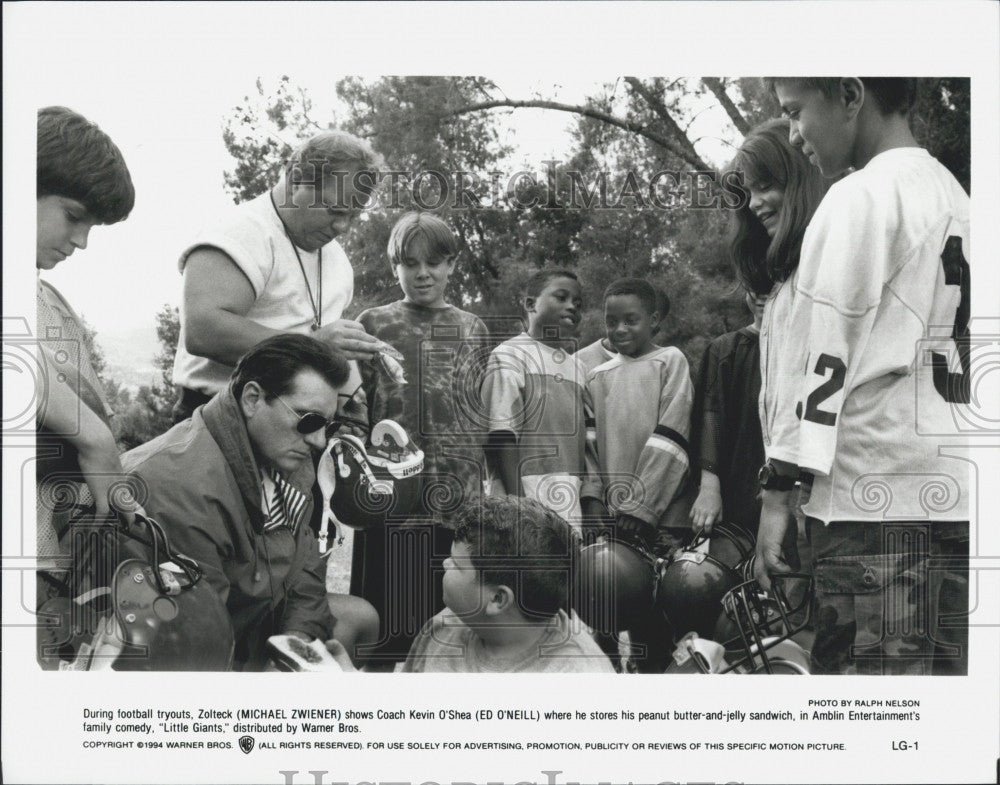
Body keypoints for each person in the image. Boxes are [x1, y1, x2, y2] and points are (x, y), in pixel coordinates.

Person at [757, 78, 970, 675]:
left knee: (864, 727)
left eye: (796, 112)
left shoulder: (861, 196)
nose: (794, 135)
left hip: (872, 514)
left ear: (850, 95)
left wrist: (777, 495)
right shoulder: (963, 200)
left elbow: (822, 362)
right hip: (959, 501)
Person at [122, 334, 379, 670]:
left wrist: (295, 645)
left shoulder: (285, 454)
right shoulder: (181, 489)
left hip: (246, 620)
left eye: (327, 426)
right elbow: (198, 640)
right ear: (253, 398)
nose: (318, 441)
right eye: (309, 420)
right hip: (174, 649)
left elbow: (304, 573)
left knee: (363, 618)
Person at [350, 211, 490, 667]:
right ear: (395, 268)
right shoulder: (372, 324)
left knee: (444, 640)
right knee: (381, 632)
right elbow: (355, 408)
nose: (422, 273)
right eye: (410, 263)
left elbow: (478, 412)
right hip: (390, 497)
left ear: (451, 265)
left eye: (433, 262)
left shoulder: (474, 329)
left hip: (455, 504)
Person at [171, 130, 385, 422]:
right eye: (334, 209)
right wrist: (313, 348)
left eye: (353, 215)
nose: (343, 226)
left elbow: (334, 350)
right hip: (223, 417)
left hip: (302, 425)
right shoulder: (241, 231)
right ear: (296, 179)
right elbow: (203, 331)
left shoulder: (337, 260)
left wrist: (352, 406)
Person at [689, 119, 826, 544]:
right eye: (747, 193)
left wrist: (778, 498)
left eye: (766, 186)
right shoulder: (727, 349)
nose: (754, 204)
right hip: (767, 492)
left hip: (817, 497)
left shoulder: (821, 273)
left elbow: (811, 394)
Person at [35, 106, 137, 564]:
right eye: (73, 216)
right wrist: (92, 438)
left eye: (91, 227)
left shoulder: (49, 302)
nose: (81, 242)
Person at [581, 278, 693, 672]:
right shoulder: (596, 377)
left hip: (661, 516)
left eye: (631, 320)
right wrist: (593, 500)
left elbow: (673, 435)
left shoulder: (671, 361)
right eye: (612, 322)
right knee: (608, 609)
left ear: (654, 320)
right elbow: (589, 447)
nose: (620, 330)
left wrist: (641, 505)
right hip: (615, 518)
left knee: (656, 619)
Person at [399, 495, 615, 673]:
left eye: (456, 564)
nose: (445, 564)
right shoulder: (441, 629)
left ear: (498, 599)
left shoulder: (581, 677)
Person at [481, 269, 590, 529]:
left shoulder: (578, 368)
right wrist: (519, 505)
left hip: (568, 502)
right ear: (530, 304)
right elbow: (501, 434)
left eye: (577, 303)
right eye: (561, 297)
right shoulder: (510, 355)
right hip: (521, 502)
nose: (572, 307)